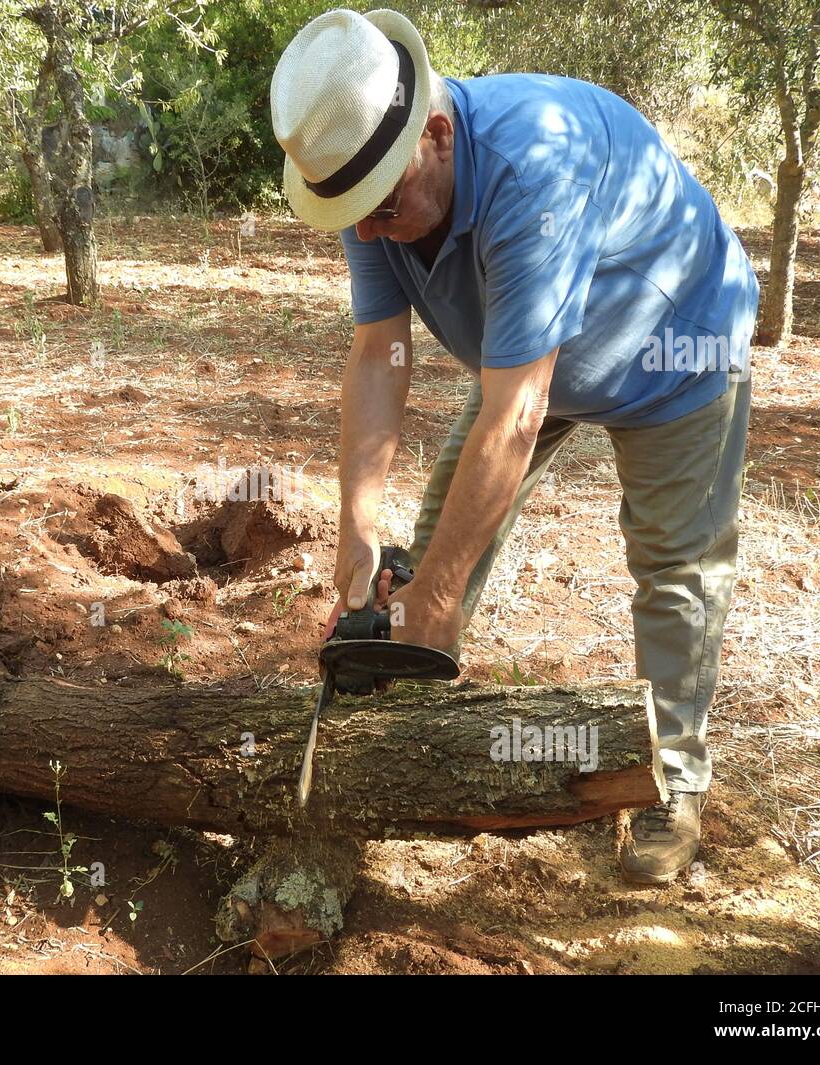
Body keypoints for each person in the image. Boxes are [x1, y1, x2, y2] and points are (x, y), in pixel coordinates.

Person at [271, 8, 759, 883]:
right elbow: (380, 355)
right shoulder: (368, 179)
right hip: (533, 356)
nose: (371, 232)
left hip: (673, 346)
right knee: (436, 536)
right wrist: (354, 528)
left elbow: (518, 413)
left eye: (383, 209)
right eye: (355, 217)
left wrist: (443, 594)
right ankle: (406, 729)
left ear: (438, 133)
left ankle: (671, 783)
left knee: (673, 566)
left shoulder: (536, 166)